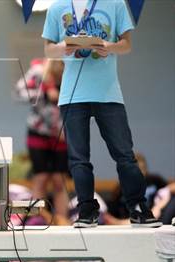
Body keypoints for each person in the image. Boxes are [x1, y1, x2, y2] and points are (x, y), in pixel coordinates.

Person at [42, 0, 162, 228]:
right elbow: (48, 48)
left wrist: (108, 46)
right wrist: (64, 48)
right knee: (78, 158)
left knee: (124, 154)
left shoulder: (115, 3)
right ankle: (86, 209)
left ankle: (137, 206)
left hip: (108, 92)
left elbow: (126, 44)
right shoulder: (57, 7)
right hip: (72, 94)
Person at [16, 59, 69, 219]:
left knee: (60, 180)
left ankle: (62, 220)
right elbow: (19, 93)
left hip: (62, 133)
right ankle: (37, 220)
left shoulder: (73, 70)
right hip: (38, 131)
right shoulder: (38, 71)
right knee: (41, 177)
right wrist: (44, 94)